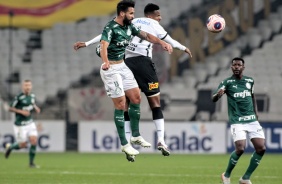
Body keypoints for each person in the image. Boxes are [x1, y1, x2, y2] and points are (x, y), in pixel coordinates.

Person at [74, 3, 192, 157]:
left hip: (126, 64)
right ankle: (139, 142)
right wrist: (181, 47)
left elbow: (142, 36)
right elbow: (104, 42)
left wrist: (87, 43)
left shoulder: (131, 24)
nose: (160, 18)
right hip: (129, 65)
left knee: (134, 99)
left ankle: (134, 136)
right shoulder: (141, 25)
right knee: (140, 103)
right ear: (123, 13)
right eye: (130, 13)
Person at [212, 57, 266, 184]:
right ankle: (226, 175)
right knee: (240, 148)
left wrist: (256, 112)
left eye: (239, 65)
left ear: (243, 67)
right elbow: (214, 98)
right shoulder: (227, 82)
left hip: (252, 120)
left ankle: (245, 178)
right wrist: (218, 95)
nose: (236, 67)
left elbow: (252, 97)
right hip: (237, 120)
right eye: (234, 65)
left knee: (261, 148)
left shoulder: (250, 81)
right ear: (231, 67)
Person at [5, 79, 41, 168]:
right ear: (23, 87)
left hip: (30, 123)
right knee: (23, 145)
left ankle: (31, 163)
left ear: (31, 86)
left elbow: (32, 103)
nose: (27, 87)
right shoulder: (18, 97)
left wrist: (36, 107)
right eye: (26, 85)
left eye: (29, 85)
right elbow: (9, 108)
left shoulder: (32, 96)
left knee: (34, 141)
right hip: (20, 125)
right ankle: (10, 147)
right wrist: (21, 111)